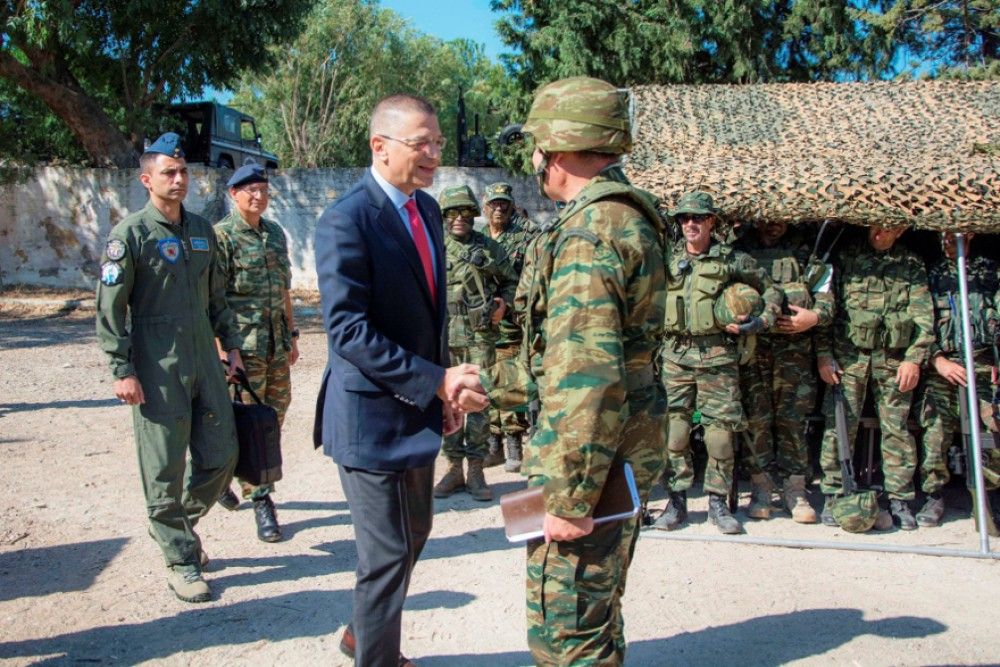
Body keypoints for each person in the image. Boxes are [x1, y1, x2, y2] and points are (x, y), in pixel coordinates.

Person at [483, 76, 667, 665]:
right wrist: (485, 388)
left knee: (568, 639)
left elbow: (587, 379)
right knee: (597, 617)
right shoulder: (616, 219)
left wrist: (568, 499)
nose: (534, 159)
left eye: (537, 144)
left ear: (559, 147)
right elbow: (560, 357)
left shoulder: (590, 234)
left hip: (589, 470)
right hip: (612, 458)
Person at [313, 93, 487, 667]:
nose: (435, 153)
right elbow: (348, 333)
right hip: (368, 417)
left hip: (416, 407)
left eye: (438, 142)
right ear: (380, 146)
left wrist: (442, 392)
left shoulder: (429, 211)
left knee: (415, 535)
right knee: (385, 555)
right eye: (422, 143)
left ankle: (361, 634)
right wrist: (435, 380)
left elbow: (430, 314)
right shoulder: (346, 219)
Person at [95, 132, 243, 604]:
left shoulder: (202, 230)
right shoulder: (130, 236)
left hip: (204, 355)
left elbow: (217, 296)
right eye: (168, 173)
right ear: (146, 180)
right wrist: (121, 368)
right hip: (157, 364)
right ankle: (181, 559)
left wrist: (231, 345)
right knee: (163, 468)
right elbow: (110, 309)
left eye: (183, 172)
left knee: (223, 456)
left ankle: (176, 525)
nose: (179, 180)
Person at [654, 192, 782, 535]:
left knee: (720, 436)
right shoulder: (668, 259)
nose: (690, 224)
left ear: (711, 221)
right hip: (675, 357)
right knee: (675, 433)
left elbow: (772, 291)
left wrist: (761, 322)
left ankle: (717, 503)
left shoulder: (732, 260)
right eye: (684, 219)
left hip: (717, 357)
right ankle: (676, 502)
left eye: (697, 218)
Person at [817, 225, 934, 530]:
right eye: (876, 227)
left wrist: (913, 359)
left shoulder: (910, 263)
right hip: (849, 355)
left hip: (893, 357)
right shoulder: (847, 257)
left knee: (896, 428)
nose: (880, 234)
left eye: (889, 229)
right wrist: (824, 354)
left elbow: (923, 315)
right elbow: (826, 308)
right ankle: (834, 492)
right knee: (839, 423)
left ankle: (899, 499)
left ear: (901, 230)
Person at [213, 164, 299, 542]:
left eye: (263, 190)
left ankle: (226, 473)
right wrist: (222, 350)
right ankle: (261, 497)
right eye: (250, 190)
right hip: (241, 348)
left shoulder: (275, 234)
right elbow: (213, 300)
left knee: (275, 413)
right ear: (233, 194)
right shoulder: (222, 237)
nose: (258, 197)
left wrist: (293, 335)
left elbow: (284, 291)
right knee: (250, 421)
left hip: (275, 343)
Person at [735, 220, 834, 523]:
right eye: (766, 220)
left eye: (779, 221)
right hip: (755, 352)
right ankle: (761, 489)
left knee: (793, 422)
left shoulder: (808, 255)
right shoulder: (742, 252)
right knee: (757, 420)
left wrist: (814, 318)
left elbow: (828, 303)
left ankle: (796, 490)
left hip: (796, 355)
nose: (772, 226)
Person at [434, 185, 517, 501]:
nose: (459, 218)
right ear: (444, 215)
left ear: (474, 214)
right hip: (444, 336)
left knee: (480, 402)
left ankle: (477, 469)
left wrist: (503, 307)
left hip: (480, 335)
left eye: (465, 211)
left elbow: (511, 281)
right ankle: (454, 467)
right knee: (446, 401)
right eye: (452, 212)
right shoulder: (435, 248)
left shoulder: (488, 249)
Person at [916, 232, 1000, 530]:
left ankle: (989, 496)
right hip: (944, 363)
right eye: (944, 236)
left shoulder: (989, 270)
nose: (948, 241)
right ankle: (933, 494)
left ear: (971, 234)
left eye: (955, 236)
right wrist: (938, 360)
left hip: (984, 362)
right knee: (935, 429)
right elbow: (920, 323)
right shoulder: (931, 273)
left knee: (992, 429)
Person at [482, 182, 536, 471]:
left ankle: (514, 444)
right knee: (488, 380)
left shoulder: (525, 237)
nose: (499, 208)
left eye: (504, 203)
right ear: (485, 206)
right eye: (494, 203)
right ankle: (494, 444)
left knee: (511, 381)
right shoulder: (477, 239)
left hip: (512, 323)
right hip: (483, 326)